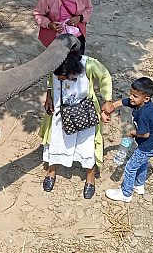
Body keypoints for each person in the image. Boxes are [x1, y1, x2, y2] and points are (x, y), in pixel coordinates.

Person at [39, 48, 114, 199]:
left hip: (83, 112)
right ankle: (51, 170)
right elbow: (50, 80)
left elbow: (105, 75)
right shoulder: (55, 62)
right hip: (59, 109)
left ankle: (90, 178)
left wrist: (108, 100)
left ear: (72, 72)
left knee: (86, 145)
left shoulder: (89, 65)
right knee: (56, 140)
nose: (59, 79)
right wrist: (49, 96)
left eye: (62, 77)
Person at [105, 77, 153, 202]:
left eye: (135, 96)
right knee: (141, 162)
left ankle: (126, 194)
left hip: (148, 146)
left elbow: (145, 133)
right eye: (131, 93)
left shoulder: (144, 113)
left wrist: (132, 133)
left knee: (130, 167)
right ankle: (139, 185)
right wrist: (114, 105)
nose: (131, 97)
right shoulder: (140, 103)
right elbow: (125, 102)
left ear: (146, 98)